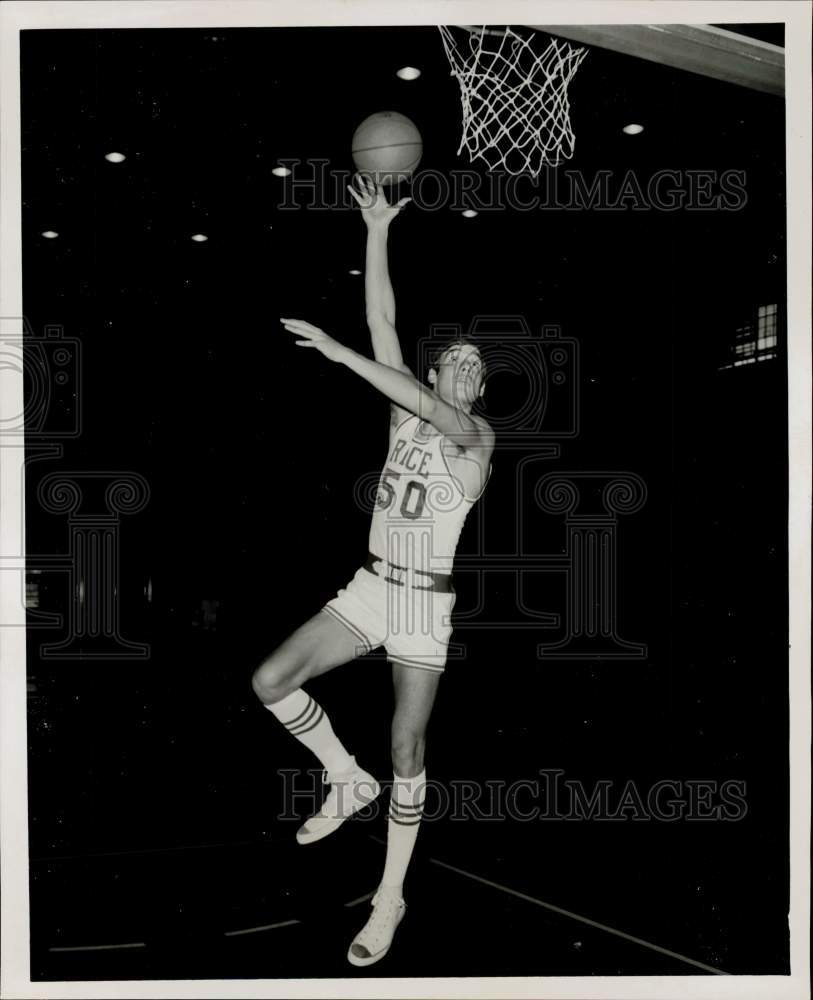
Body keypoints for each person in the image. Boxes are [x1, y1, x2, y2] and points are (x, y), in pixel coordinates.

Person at [251, 175, 494, 967]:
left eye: (472, 366)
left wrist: (337, 354)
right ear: (434, 370)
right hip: (371, 586)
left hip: (424, 608)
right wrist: (377, 227)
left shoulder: (474, 436)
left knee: (408, 750)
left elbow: (390, 370)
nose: (461, 368)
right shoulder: (408, 409)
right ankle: (341, 777)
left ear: (477, 389)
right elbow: (383, 318)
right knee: (270, 681)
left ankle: (390, 895)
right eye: (452, 359)